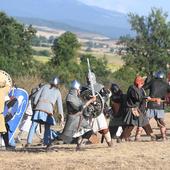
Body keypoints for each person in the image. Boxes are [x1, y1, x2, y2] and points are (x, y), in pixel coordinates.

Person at [26, 77, 64, 148]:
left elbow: (36, 98)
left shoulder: (44, 86)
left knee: (34, 125)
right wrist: (61, 116)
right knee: (47, 127)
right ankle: (46, 142)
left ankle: (28, 142)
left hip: (39, 107)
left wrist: (35, 106)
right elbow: (60, 106)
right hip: (48, 110)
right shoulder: (58, 91)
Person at [61, 80, 98, 150]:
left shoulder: (76, 98)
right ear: (75, 90)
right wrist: (90, 101)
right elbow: (80, 108)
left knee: (89, 131)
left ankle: (80, 146)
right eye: (78, 89)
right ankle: (50, 144)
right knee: (64, 137)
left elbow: (83, 106)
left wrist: (92, 102)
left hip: (79, 118)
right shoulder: (70, 97)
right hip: (73, 119)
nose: (79, 91)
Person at [118, 75, 156, 142]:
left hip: (139, 109)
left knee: (145, 122)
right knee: (131, 125)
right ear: (137, 82)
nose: (142, 84)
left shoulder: (141, 89)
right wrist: (145, 98)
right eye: (141, 83)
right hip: (132, 109)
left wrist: (146, 98)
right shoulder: (132, 88)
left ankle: (152, 135)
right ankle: (121, 138)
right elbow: (136, 98)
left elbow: (142, 97)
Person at [81, 72, 112, 147]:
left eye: (89, 79)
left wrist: (100, 99)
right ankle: (80, 145)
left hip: (98, 111)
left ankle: (110, 144)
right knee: (85, 130)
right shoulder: (84, 89)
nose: (88, 80)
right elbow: (81, 99)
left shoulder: (100, 87)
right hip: (88, 112)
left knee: (104, 129)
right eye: (87, 79)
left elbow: (105, 96)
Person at [144, 71, 170, 141]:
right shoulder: (166, 84)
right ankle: (164, 137)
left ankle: (137, 136)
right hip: (160, 105)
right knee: (161, 122)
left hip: (151, 105)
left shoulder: (152, 82)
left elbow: (143, 88)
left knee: (144, 121)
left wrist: (146, 81)